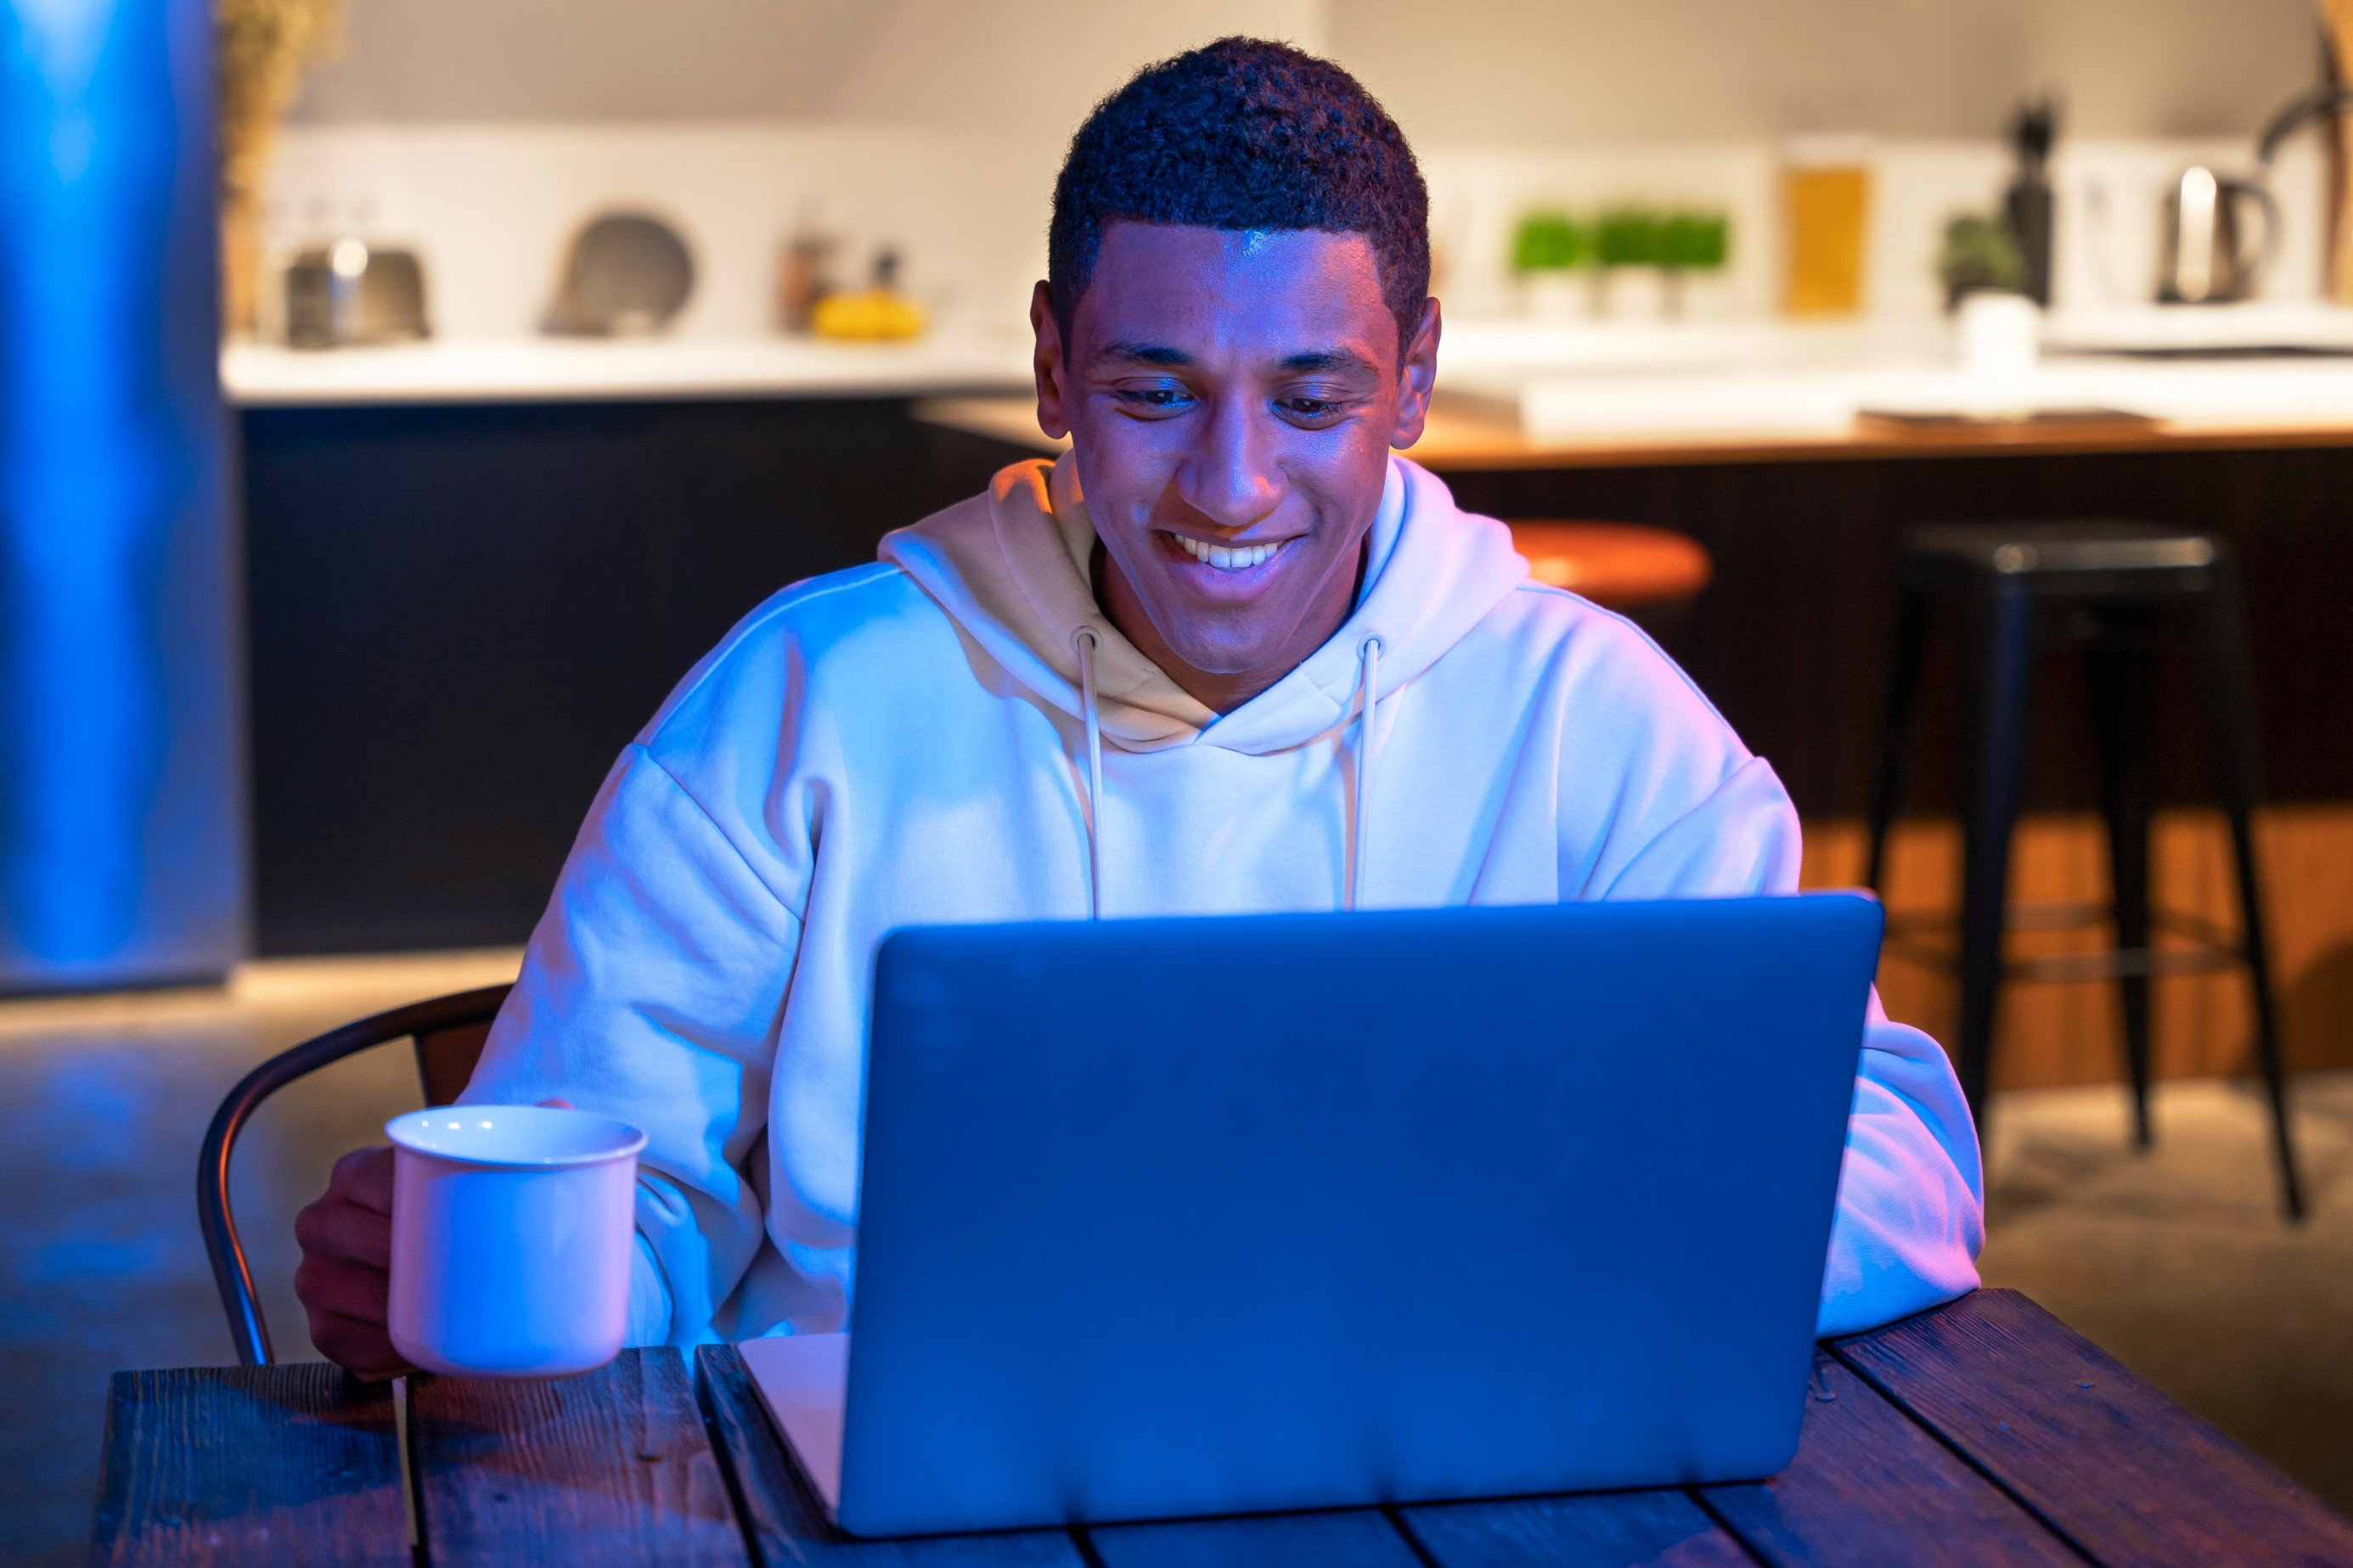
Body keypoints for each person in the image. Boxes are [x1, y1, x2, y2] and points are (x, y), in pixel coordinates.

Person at [294, 38, 1983, 1375]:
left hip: (1432, 1470)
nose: (1232, 486)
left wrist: (1493, 1262)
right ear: (1051, 370)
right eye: (1153, 390)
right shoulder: (803, 704)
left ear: (1413, 380)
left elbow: (1896, 1156)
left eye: (1311, 395)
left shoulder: (1587, 714)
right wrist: (513, 1295)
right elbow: (633, 1181)